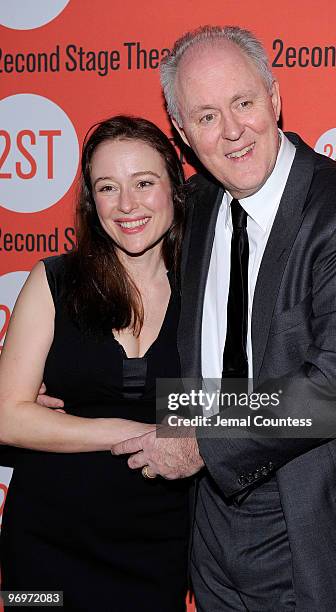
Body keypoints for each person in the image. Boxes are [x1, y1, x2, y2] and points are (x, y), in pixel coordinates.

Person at [111, 26, 336, 610]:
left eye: (243, 103)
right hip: (213, 528)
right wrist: (69, 384)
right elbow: (133, 300)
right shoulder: (192, 208)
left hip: (323, 524)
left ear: (273, 99)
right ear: (183, 133)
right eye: (205, 116)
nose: (231, 131)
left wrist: (207, 441)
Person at [0, 116, 190, 612]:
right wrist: (137, 431)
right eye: (109, 187)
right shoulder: (55, 280)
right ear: (91, 200)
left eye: (144, 183)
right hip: (44, 546)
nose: (127, 205)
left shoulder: (207, 290)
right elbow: (6, 416)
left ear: (175, 187)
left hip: (158, 547)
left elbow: (257, 402)